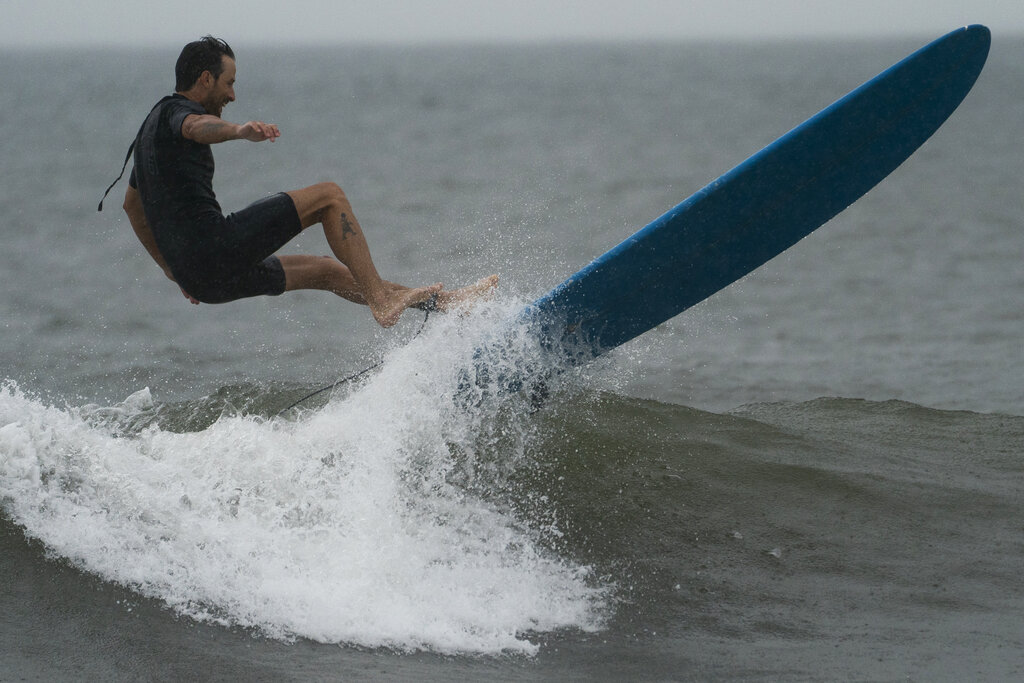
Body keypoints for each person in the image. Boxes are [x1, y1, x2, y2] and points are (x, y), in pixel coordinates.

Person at [103, 36, 497, 328]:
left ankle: (444, 303)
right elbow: (196, 126)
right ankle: (382, 301)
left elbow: (131, 207)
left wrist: (173, 271)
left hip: (202, 279)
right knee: (329, 196)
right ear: (205, 79)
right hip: (216, 250)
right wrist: (238, 131)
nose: (233, 94)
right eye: (229, 83)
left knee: (326, 270)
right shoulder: (179, 114)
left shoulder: (149, 133)